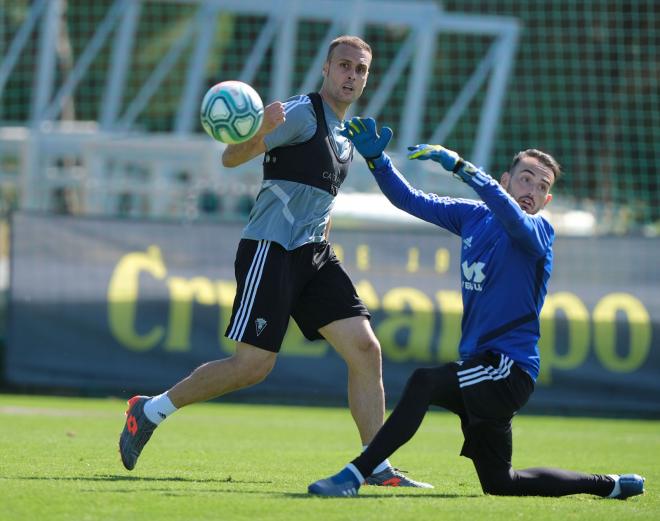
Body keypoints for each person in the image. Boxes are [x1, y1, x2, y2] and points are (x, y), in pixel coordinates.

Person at [119, 36, 430, 488]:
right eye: (343, 66)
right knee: (253, 366)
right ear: (325, 69)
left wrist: (323, 241)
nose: (351, 75)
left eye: (360, 70)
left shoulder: (346, 134)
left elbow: (320, 197)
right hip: (271, 248)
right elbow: (231, 157)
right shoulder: (301, 113)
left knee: (366, 350)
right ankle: (148, 410)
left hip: (314, 254)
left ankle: (374, 465)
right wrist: (259, 130)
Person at [307, 117, 646, 499]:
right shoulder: (474, 217)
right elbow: (411, 199)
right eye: (526, 179)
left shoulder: (538, 233)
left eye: (542, 186)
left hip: (508, 369)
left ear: (547, 201)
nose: (532, 190)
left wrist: (462, 168)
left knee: (425, 381)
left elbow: (513, 218)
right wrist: (378, 160)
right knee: (502, 483)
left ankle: (354, 476)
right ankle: (611, 485)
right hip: (482, 367)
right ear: (505, 180)